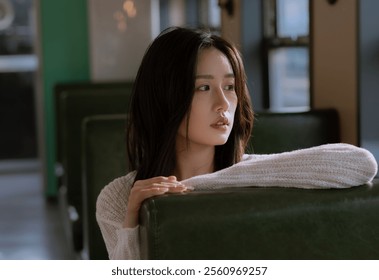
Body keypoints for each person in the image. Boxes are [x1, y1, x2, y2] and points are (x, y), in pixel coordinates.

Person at [96, 27, 378, 260]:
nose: (223, 104)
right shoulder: (119, 199)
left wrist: (206, 184)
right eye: (203, 87)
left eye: (230, 87)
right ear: (165, 98)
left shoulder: (253, 173)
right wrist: (132, 222)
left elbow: (361, 163)